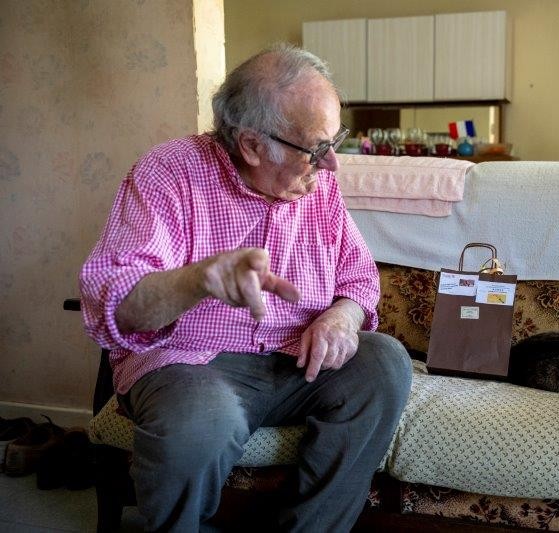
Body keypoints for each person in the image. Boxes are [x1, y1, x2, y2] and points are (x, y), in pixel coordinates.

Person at [79, 43, 413, 532]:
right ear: (253, 144)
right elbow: (113, 302)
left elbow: (358, 277)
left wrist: (343, 315)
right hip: (193, 362)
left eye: (334, 141)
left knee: (383, 361)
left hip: (298, 359)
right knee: (199, 423)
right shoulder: (169, 173)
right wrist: (201, 279)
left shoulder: (318, 186)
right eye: (317, 149)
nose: (332, 165)